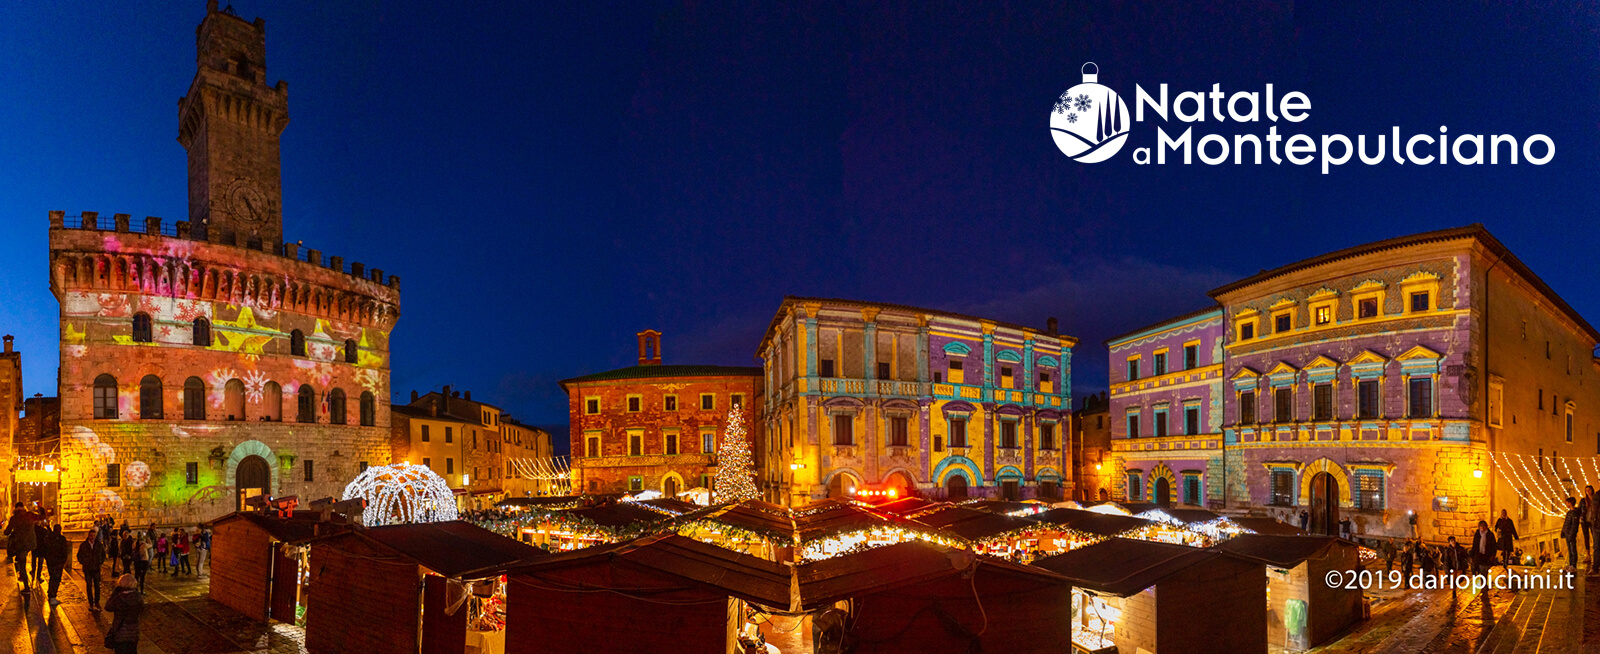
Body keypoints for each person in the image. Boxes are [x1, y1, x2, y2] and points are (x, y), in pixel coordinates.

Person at [5, 502, 39, 594]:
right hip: (31, 543)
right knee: (25, 560)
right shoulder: (29, 515)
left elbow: (7, 532)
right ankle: (31, 575)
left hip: (21, 544)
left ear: (15, 509)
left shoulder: (14, 518)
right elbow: (41, 518)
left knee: (22, 565)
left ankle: (27, 587)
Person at [105, 574, 143, 654]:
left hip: (120, 631)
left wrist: (114, 593)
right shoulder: (138, 597)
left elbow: (108, 607)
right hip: (134, 632)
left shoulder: (119, 598)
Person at [41, 524, 70, 604]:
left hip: (51, 562)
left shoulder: (49, 538)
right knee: (56, 579)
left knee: (52, 577)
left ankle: (51, 593)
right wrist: (64, 561)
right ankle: (52, 595)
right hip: (58, 562)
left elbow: (45, 549)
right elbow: (64, 551)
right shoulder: (61, 539)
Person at [77, 530, 105, 609]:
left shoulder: (99, 545)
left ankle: (97, 602)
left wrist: (100, 562)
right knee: (89, 585)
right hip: (87, 568)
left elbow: (103, 554)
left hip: (96, 568)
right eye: (91, 536)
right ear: (89, 536)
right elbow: (79, 555)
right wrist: (83, 562)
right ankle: (91, 603)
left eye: (94, 536)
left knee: (97, 585)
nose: (92, 537)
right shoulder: (84, 545)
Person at [1561, 497, 1582, 571]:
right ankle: (1570, 564)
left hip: (1571, 534)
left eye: (1567, 503)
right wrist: (1563, 531)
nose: (1566, 504)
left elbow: (1574, 526)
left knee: (1573, 550)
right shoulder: (1569, 512)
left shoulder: (1574, 513)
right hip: (1567, 533)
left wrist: (1571, 534)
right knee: (1569, 550)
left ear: (1570, 503)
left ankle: (1573, 565)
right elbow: (1566, 523)